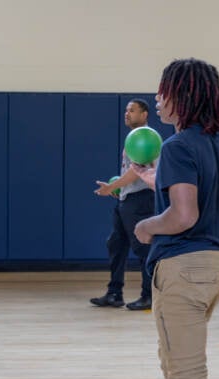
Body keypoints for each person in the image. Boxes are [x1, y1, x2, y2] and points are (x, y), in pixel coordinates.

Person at [133, 58, 219, 379]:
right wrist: (156, 179)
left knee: (188, 373)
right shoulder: (217, 145)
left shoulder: (177, 145)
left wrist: (146, 226)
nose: (158, 99)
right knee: (176, 366)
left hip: (184, 268)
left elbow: (183, 215)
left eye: (165, 91)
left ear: (183, 96)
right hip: (216, 266)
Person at [91, 99, 156, 311]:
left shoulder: (146, 138)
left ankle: (149, 296)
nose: (127, 113)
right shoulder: (133, 138)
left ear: (145, 114)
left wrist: (112, 187)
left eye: (133, 110)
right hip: (126, 199)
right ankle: (114, 293)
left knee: (142, 247)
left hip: (140, 199)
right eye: (126, 110)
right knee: (116, 244)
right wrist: (118, 189)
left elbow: (134, 171)